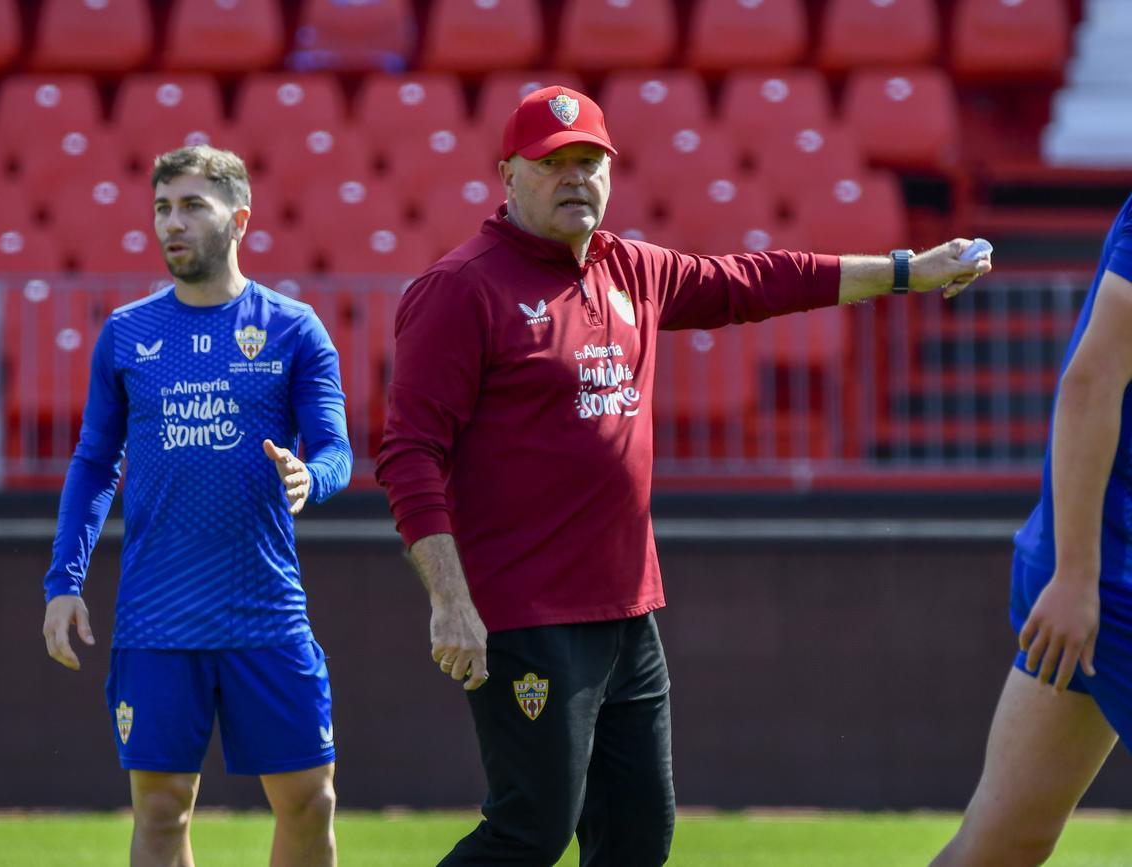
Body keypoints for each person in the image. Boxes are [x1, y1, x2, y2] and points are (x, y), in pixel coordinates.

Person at [374, 85, 992, 866]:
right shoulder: (461, 288)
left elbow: (765, 280)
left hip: (630, 613)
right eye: (552, 163)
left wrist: (909, 270)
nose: (574, 177)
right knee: (530, 829)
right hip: (524, 614)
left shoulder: (632, 269)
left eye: (589, 161)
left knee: (637, 840)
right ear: (508, 175)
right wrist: (450, 601)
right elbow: (408, 453)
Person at [41, 145, 352, 867]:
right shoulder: (126, 333)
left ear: (239, 219)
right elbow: (93, 464)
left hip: (265, 610)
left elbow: (336, 447)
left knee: (311, 799)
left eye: (191, 206)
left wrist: (312, 476)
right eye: (161, 207)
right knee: (160, 807)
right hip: (158, 615)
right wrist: (64, 582)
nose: (170, 223)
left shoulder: (294, 329)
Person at [930, 197, 1132, 866]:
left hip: (1097, 573)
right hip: (1111, 578)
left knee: (1002, 843)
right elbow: (1092, 380)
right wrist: (1076, 578)